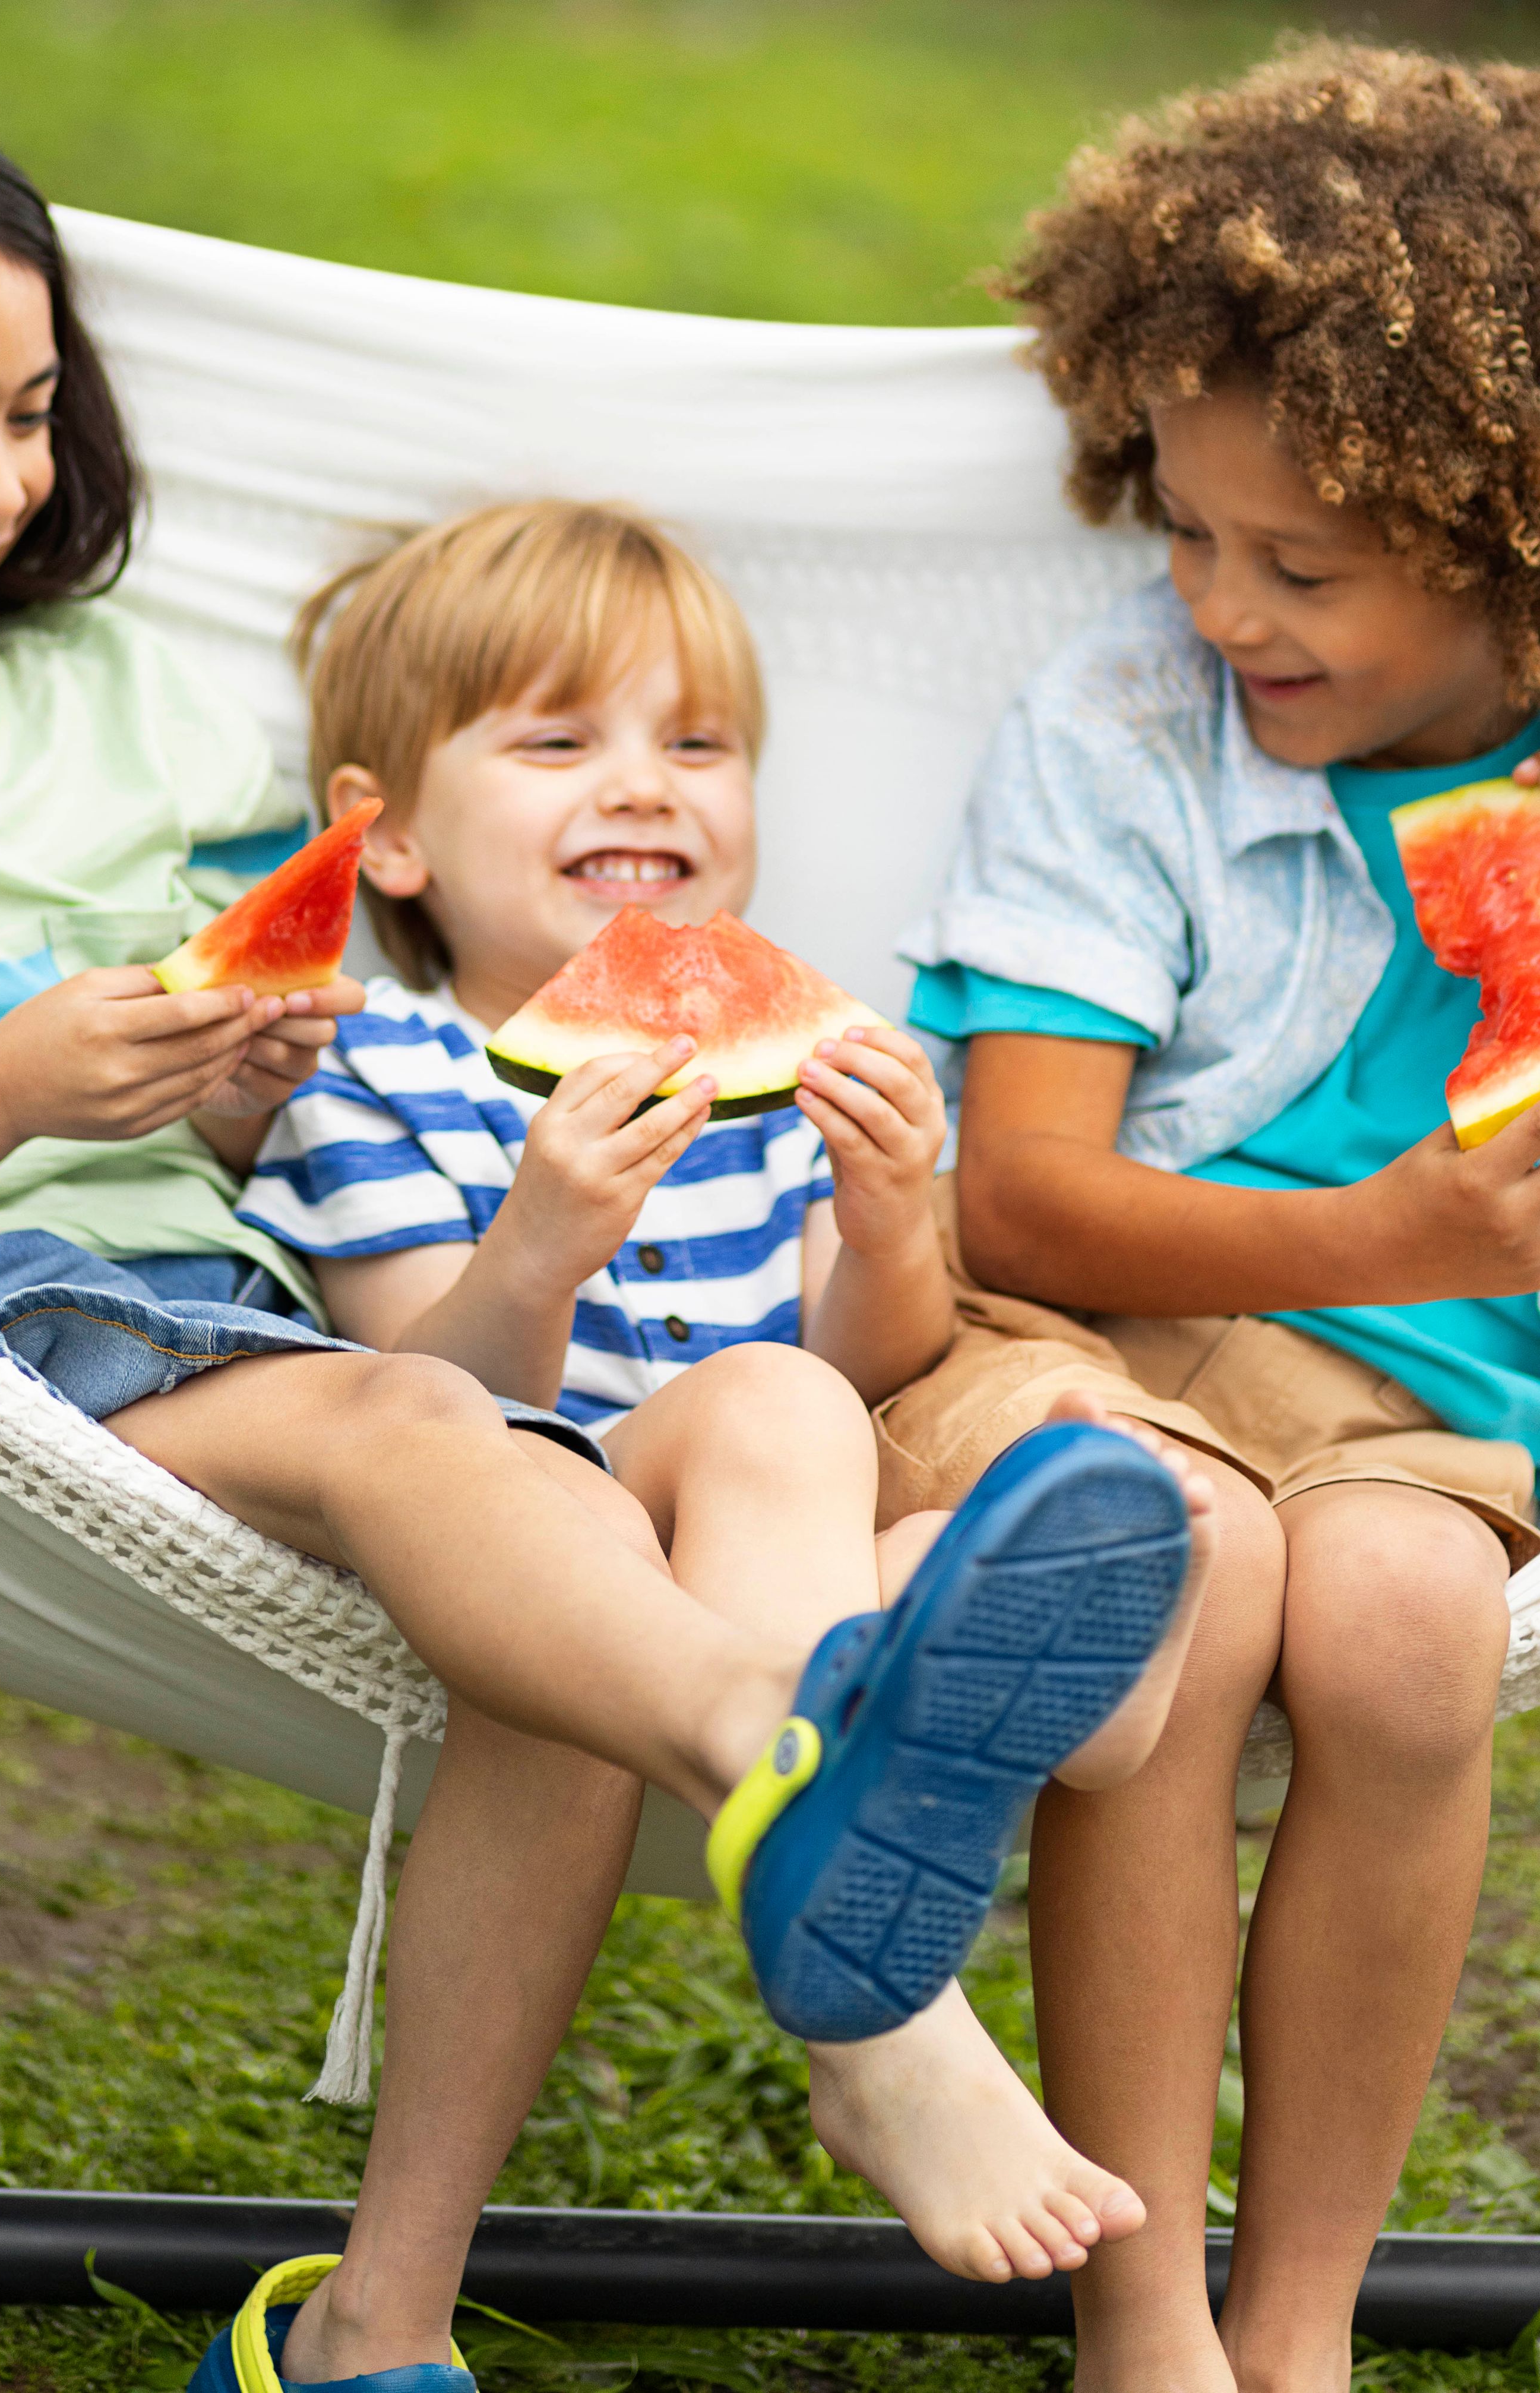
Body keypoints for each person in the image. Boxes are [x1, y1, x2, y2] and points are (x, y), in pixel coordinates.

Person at [0, 49, 1205, 2393]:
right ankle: (806, 1791)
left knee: (592, 1521)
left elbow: (320, 1019)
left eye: (26, 414)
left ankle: (373, 2324)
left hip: (264, 1319)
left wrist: (259, 1077)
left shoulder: (114, 704)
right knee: (452, 1444)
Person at [881, 43, 1540, 2393]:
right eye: (1190, 539)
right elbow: (1016, 1196)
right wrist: (1390, 1238)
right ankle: (1141, 2315)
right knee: (1182, 1585)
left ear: (1528, 540)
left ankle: (1299, 2319)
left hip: (1448, 1411)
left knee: (1414, 1639)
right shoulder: (1123, 721)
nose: (1225, 606)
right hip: (1119, 1345)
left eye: (1299, 565)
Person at [238, 495, 1215, 2275]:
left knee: (887, 1429)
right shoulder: (376, 1072)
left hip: (761, 1538)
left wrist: (890, 1214)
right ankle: (884, 2040)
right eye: (558, 740)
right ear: (380, 843)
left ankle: (989, 1669)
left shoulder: (788, 1072)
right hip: (530, 1531)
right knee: (769, 1405)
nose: (645, 785)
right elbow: (421, 1408)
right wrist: (537, 1242)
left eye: (701, 743)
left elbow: (872, 1358)